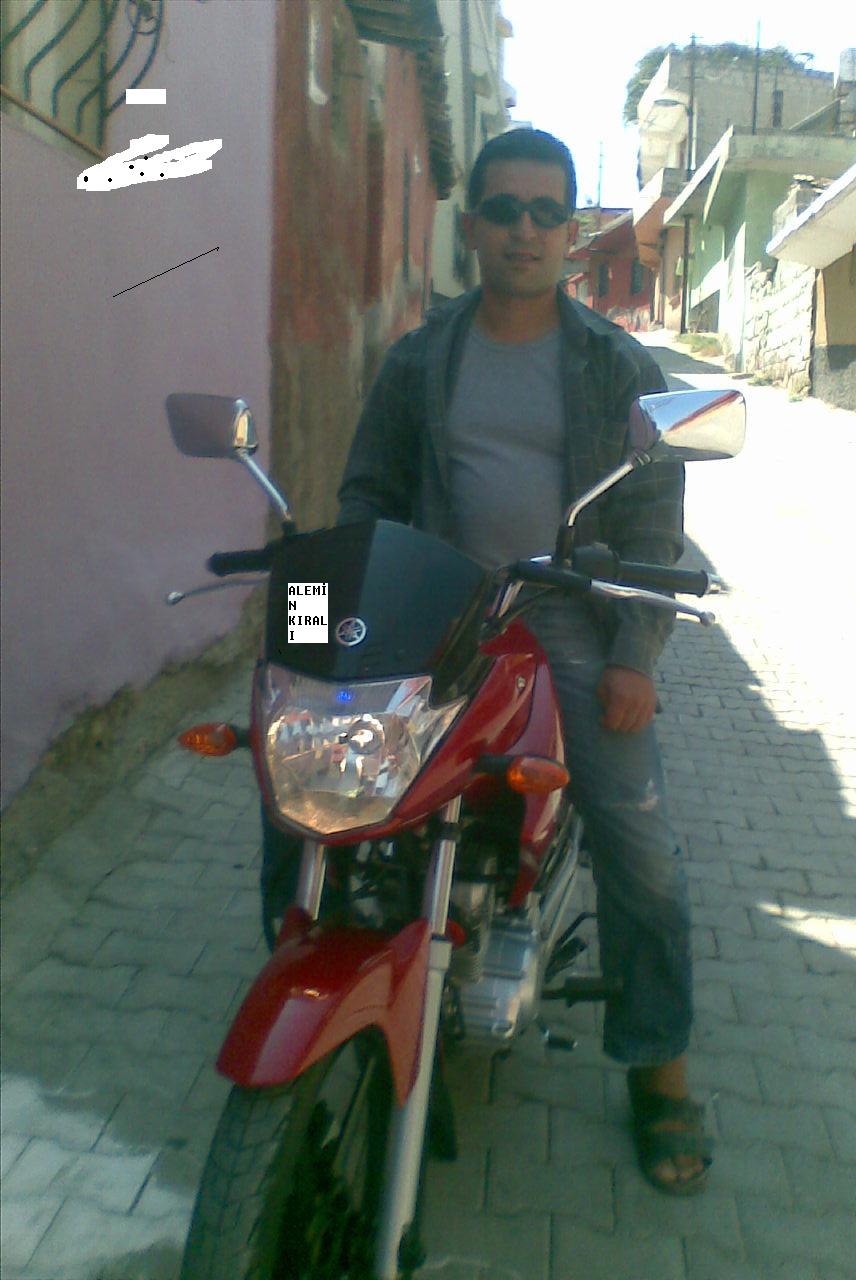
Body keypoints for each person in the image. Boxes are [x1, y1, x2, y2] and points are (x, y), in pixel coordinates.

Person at [262, 127, 712, 1194]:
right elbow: (369, 491)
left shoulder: (617, 364)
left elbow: (653, 523)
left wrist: (635, 655)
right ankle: (307, 978)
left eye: (546, 212)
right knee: (307, 781)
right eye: (503, 209)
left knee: (640, 843)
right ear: (471, 226)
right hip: (434, 611)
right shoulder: (421, 356)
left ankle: (659, 1067)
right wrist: (339, 609)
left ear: (571, 231)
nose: (524, 229)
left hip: (568, 618)